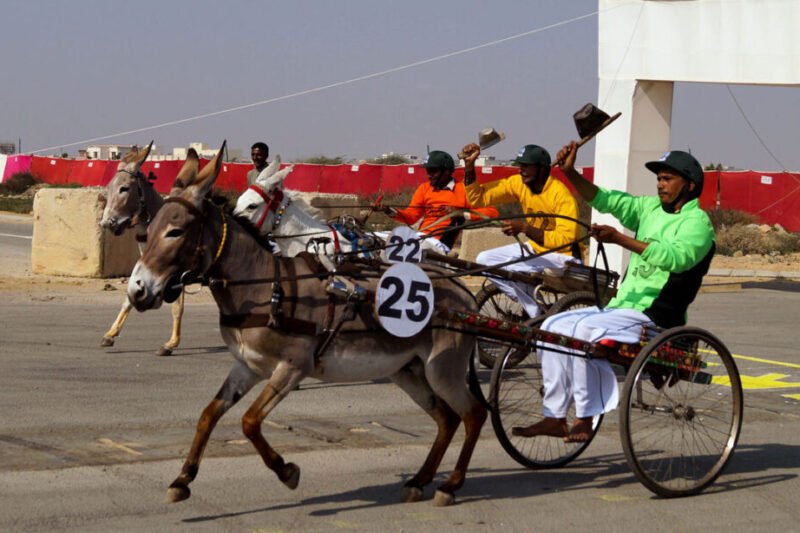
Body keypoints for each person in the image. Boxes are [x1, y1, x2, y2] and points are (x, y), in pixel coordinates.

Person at [512, 141, 715, 442]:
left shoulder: (698, 224)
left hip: (655, 315)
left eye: (667, 178)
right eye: (659, 178)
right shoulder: (649, 208)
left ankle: (585, 416)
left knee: (583, 331)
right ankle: (554, 416)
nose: (660, 184)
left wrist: (621, 240)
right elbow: (607, 200)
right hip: (623, 306)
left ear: (689, 185)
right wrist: (570, 174)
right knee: (552, 326)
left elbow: (676, 259)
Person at [462, 143, 583, 318]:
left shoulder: (561, 195)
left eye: (526, 166)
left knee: (511, 268)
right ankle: (535, 307)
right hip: (536, 251)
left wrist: (525, 228)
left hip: (563, 257)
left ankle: (535, 312)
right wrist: (469, 167)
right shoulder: (518, 183)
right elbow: (478, 198)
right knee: (484, 260)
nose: (521, 170)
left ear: (541, 169)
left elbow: (565, 240)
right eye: (520, 166)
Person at [382, 150, 498, 254]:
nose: (429, 175)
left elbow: (492, 213)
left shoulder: (463, 190)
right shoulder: (424, 188)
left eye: (433, 171)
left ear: (446, 172)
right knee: (380, 239)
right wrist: (390, 211)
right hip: (421, 237)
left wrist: (462, 213)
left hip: (439, 244)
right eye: (428, 171)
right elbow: (411, 216)